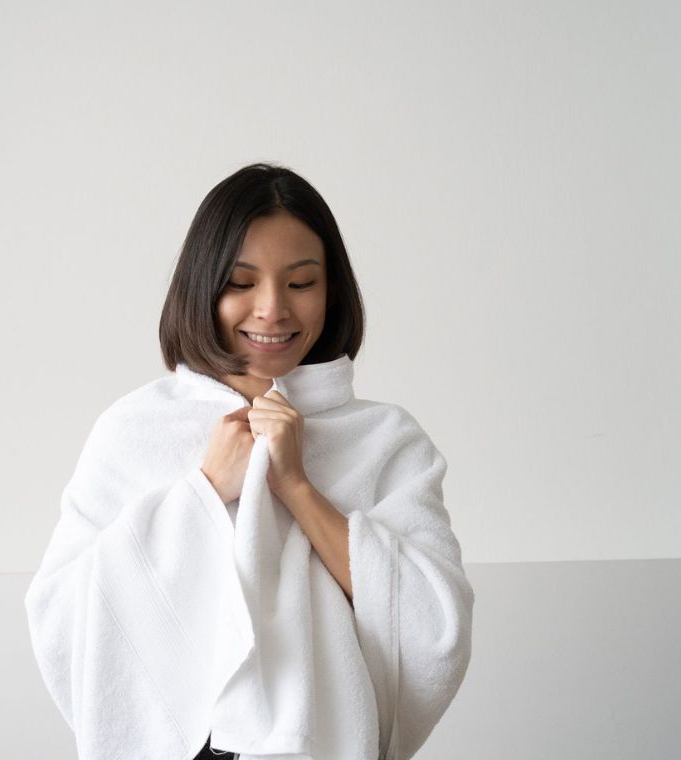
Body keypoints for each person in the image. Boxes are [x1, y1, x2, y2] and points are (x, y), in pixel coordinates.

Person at [24, 162, 474, 760]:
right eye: (241, 282)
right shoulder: (134, 431)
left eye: (301, 282)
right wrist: (204, 491)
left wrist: (297, 487)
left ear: (331, 289)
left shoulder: (385, 440)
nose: (272, 310)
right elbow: (63, 617)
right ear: (201, 287)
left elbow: (434, 628)